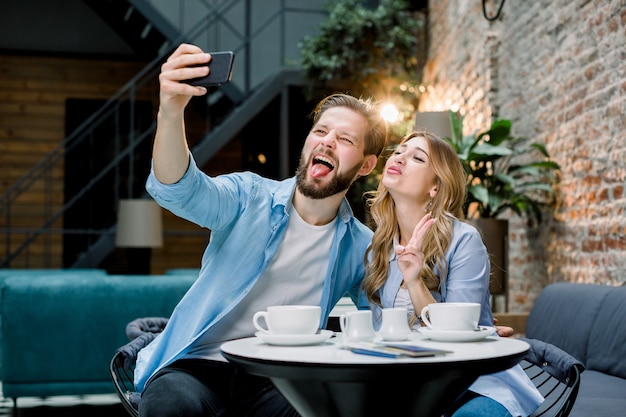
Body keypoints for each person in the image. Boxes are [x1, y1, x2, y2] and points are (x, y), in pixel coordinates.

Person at [134, 43, 388, 417]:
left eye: (345, 140)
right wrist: (170, 111)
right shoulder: (248, 196)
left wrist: (476, 329)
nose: (327, 141)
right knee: (172, 410)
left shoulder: (361, 247)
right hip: (198, 365)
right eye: (321, 131)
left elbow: (389, 316)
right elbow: (180, 190)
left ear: (366, 165)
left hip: (278, 377)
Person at [361, 131, 544, 417]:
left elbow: (458, 336)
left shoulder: (464, 240)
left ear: (435, 187)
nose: (399, 157)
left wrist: (414, 281)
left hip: (475, 382)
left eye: (417, 157)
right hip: (408, 385)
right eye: (399, 151)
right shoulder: (379, 248)